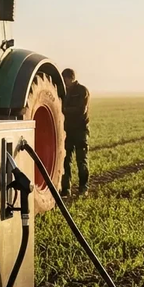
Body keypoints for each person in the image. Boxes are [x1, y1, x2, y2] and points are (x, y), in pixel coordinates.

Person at [60, 68, 90, 196]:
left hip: (80, 131)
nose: (64, 82)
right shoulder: (62, 92)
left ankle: (84, 187)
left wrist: (63, 110)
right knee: (66, 160)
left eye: (65, 79)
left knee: (81, 159)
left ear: (71, 78)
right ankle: (66, 188)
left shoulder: (82, 91)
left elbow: (81, 110)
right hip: (67, 131)